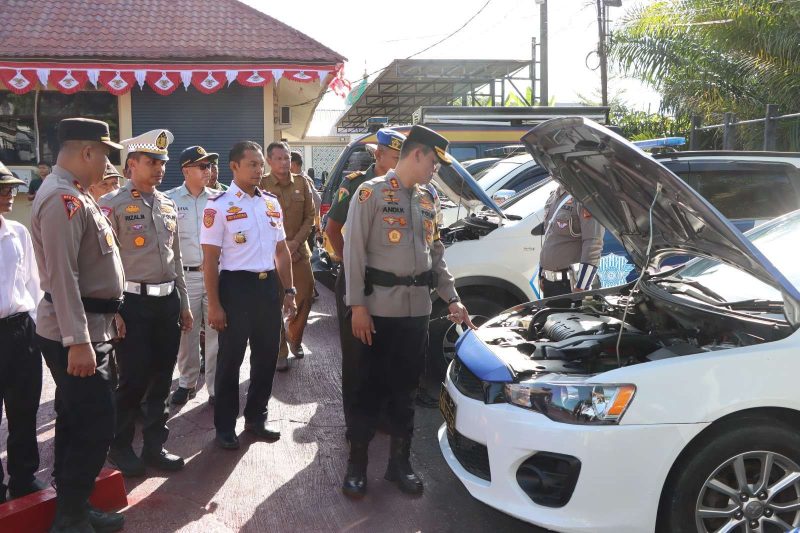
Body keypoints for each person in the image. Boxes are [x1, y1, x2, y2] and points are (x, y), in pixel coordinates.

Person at [342, 125, 474, 498]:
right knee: (368, 389)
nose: (436, 169)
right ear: (416, 155)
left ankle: (400, 464)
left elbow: (436, 255)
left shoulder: (429, 198)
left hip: (416, 311)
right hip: (378, 310)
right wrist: (357, 307)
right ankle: (357, 465)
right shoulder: (371, 193)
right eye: (433, 161)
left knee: (405, 390)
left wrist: (452, 297)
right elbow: (353, 253)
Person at [31, 118, 126, 532]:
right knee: (97, 421)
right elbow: (64, 277)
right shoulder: (61, 198)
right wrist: (78, 341)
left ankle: (74, 504)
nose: (106, 162)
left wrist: (110, 314)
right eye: (104, 153)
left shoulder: (77, 195)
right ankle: (69, 517)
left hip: (92, 325)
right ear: (86, 152)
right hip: (76, 332)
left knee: (77, 419)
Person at [100, 129, 192, 478]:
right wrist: (114, 310)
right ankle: (120, 446)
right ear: (131, 165)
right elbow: (106, 262)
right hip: (132, 306)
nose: (159, 168)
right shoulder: (114, 204)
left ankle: (155, 445)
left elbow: (176, 258)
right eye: (151, 162)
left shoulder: (168, 204)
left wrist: (183, 302)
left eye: (162, 163)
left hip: (166, 302)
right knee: (133, 380)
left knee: (162, 378)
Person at [201, 141, 297, 450]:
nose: (259, 170)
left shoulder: (270, 203)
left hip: (267, 288)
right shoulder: (219, 206)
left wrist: (290, 290)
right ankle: (225, 426)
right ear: (234, 167)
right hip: (236, 288)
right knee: (231, 360)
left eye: (260, 164)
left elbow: (281, 252)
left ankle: (256, 418)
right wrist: (214, 305)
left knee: (266, 357)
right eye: (252, 164)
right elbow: (210, 261)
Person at [324, 128, 404, 437]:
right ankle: (356, 424)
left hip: (387, 284)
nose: (398, 164)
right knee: (357, 355)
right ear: (379, 154)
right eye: (395, 157)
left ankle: (380, 415)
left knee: (384, 352)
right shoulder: (356, 183)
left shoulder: (402, 186)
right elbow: (332, 229)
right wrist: (351, 265)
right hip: (357, 279)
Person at [0, 161, 47, 505]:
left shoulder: (17, 232)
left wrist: (32, 323)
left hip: (20, 330)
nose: (8, 195)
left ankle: (23, 475)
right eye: (2, 189)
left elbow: (33, 282)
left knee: (24, 406)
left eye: (11, 189)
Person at [166, 146, 220, 406]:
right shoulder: (169, 200)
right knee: (186, 332)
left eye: (209, 166)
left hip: (215, 275)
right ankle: (187, 382)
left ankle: (214, 387)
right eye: (202, 166)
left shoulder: (220, 200)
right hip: (185, 277)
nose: (207, 170)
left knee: (215, 331)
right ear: (186, 170)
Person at [261, 142, 315, 370]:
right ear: (269, 161)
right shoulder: (260, 185)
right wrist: (281, 248)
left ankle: (295, 336)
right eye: (279, 158)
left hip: (299, 252)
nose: (285, 162)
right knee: (273, 302)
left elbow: (310, 217)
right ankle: (280, 349)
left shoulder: (302, 183)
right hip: (270, 256)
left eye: (287, 158)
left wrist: (293, 244)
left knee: (306, 295)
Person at [537, 182, 604, 307]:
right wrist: (542, 274)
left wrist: (582, 287)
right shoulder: (555, 196)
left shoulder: (585, 197)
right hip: (551, 284)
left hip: (571, 286)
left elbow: (593, 243)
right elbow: (550, 238)